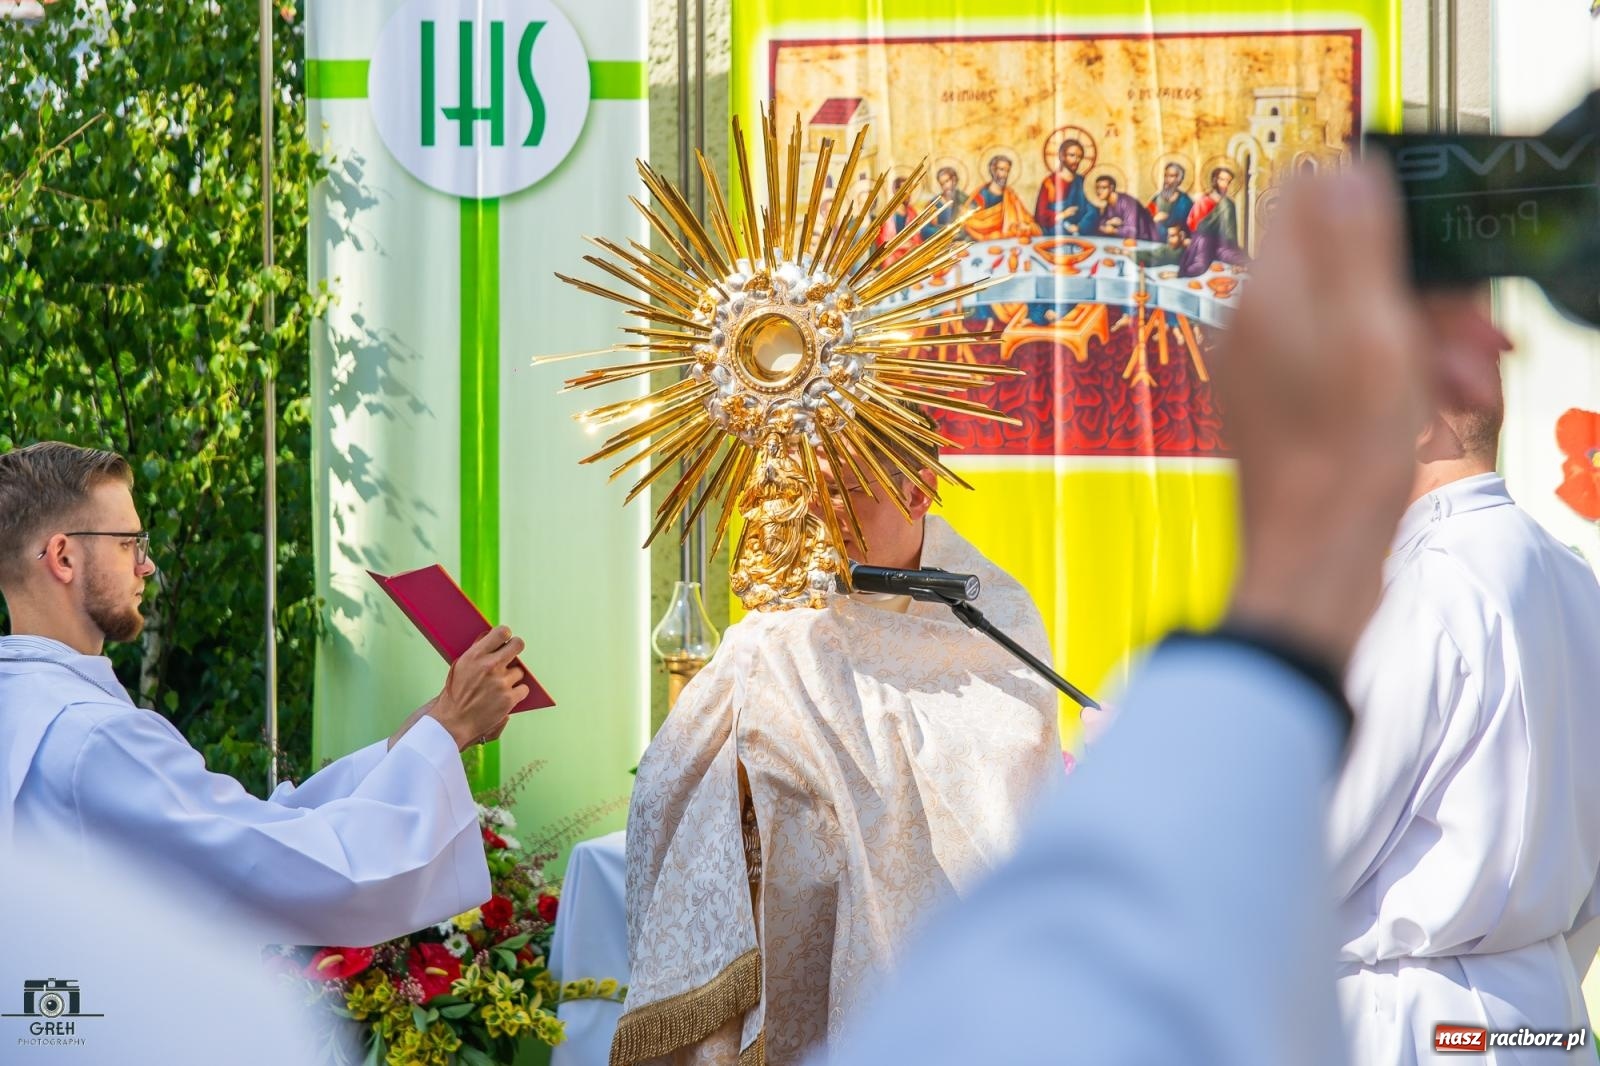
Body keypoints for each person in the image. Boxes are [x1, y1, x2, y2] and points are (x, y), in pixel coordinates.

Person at [816, 162, 1506, 1065]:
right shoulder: (1568, 579)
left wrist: (1272, 619)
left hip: (1418, 1012)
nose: (840, 504)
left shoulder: (983, 601)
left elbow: (1275, 867)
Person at [612, 429, 1061, 1065]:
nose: (831, 517)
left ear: (919, 489)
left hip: (955, 958)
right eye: (816, 494)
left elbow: (1012, 754)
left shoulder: (993, 613)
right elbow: (669, 778)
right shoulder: (773, 634)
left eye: (849, 492)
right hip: (799, 941)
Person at [0, 441, 529, 947]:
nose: (147, 565)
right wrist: (451, 727)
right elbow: (299, 870)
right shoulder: (94, 736)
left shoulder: (26, 707)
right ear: (63, 557)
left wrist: (426, 733)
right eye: (128, 543)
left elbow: (255, 827)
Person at [1328, 313, 1600, 1062]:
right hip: (1548, 1007)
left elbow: (1319, 842)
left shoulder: (1425, 585)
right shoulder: (1575, 576)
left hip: (1418, 1013)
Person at [963, 154, 1042, 240]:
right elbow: (969, 221)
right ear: (993, 170)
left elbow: (1024, 218)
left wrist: (1026, 226)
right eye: (1002, 169)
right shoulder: (981, 195)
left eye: (1007, 171)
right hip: (982, 243)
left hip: (1007, 241)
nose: (1005, 174)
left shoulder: (1011, 195)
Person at [1035, 138, 1094, 235]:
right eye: (1072, 155)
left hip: (1079, 233)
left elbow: (1092, 211)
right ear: (1062, 156)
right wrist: (1062, 214)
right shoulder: (1049, 183)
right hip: (1054, 233)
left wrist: (1080, 227)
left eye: (1079, 157)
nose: (1076, 160)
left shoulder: (1083, 182)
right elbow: (1040, 215)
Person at [1087, 174, 1159, 241]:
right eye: (1097, 188)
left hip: (1144, 240)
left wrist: (1114, 230)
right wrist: (1109, 222)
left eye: (1103, 188)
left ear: (1111, 188)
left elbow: (1132, 230)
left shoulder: (1127, 203)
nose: (1099, 191)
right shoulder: (1109, 205)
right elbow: (1101, 225)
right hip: (1123, 241)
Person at [1147, 161, 1195, 236]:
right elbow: (1146, 217)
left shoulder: (1185, 202)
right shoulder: (1157, 198)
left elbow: (1184, 226)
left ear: (1179, 179)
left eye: (1171, 176)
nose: (1167, 179)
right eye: (1166, 176)